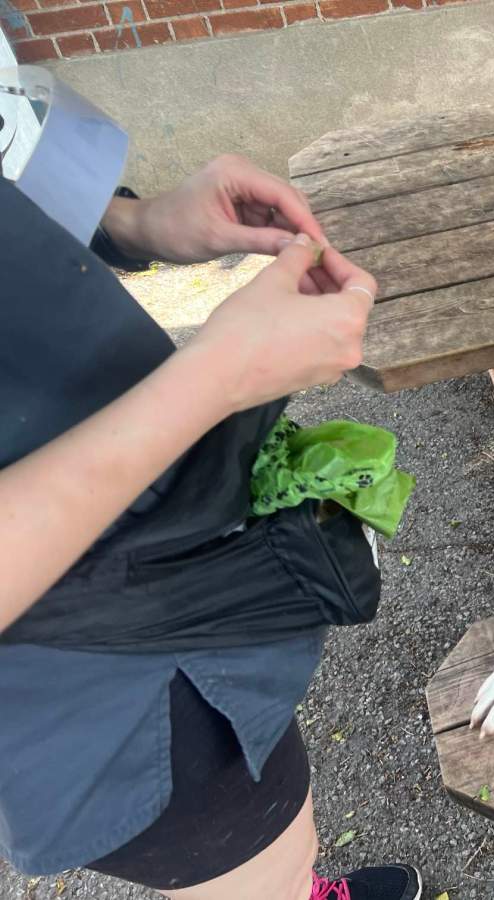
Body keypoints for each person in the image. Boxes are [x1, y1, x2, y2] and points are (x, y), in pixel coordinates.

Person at [0, 148, 423, 899]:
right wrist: (217, 377)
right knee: (267, 872)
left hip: (150, 557)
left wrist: (128, 223)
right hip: (87, 673)